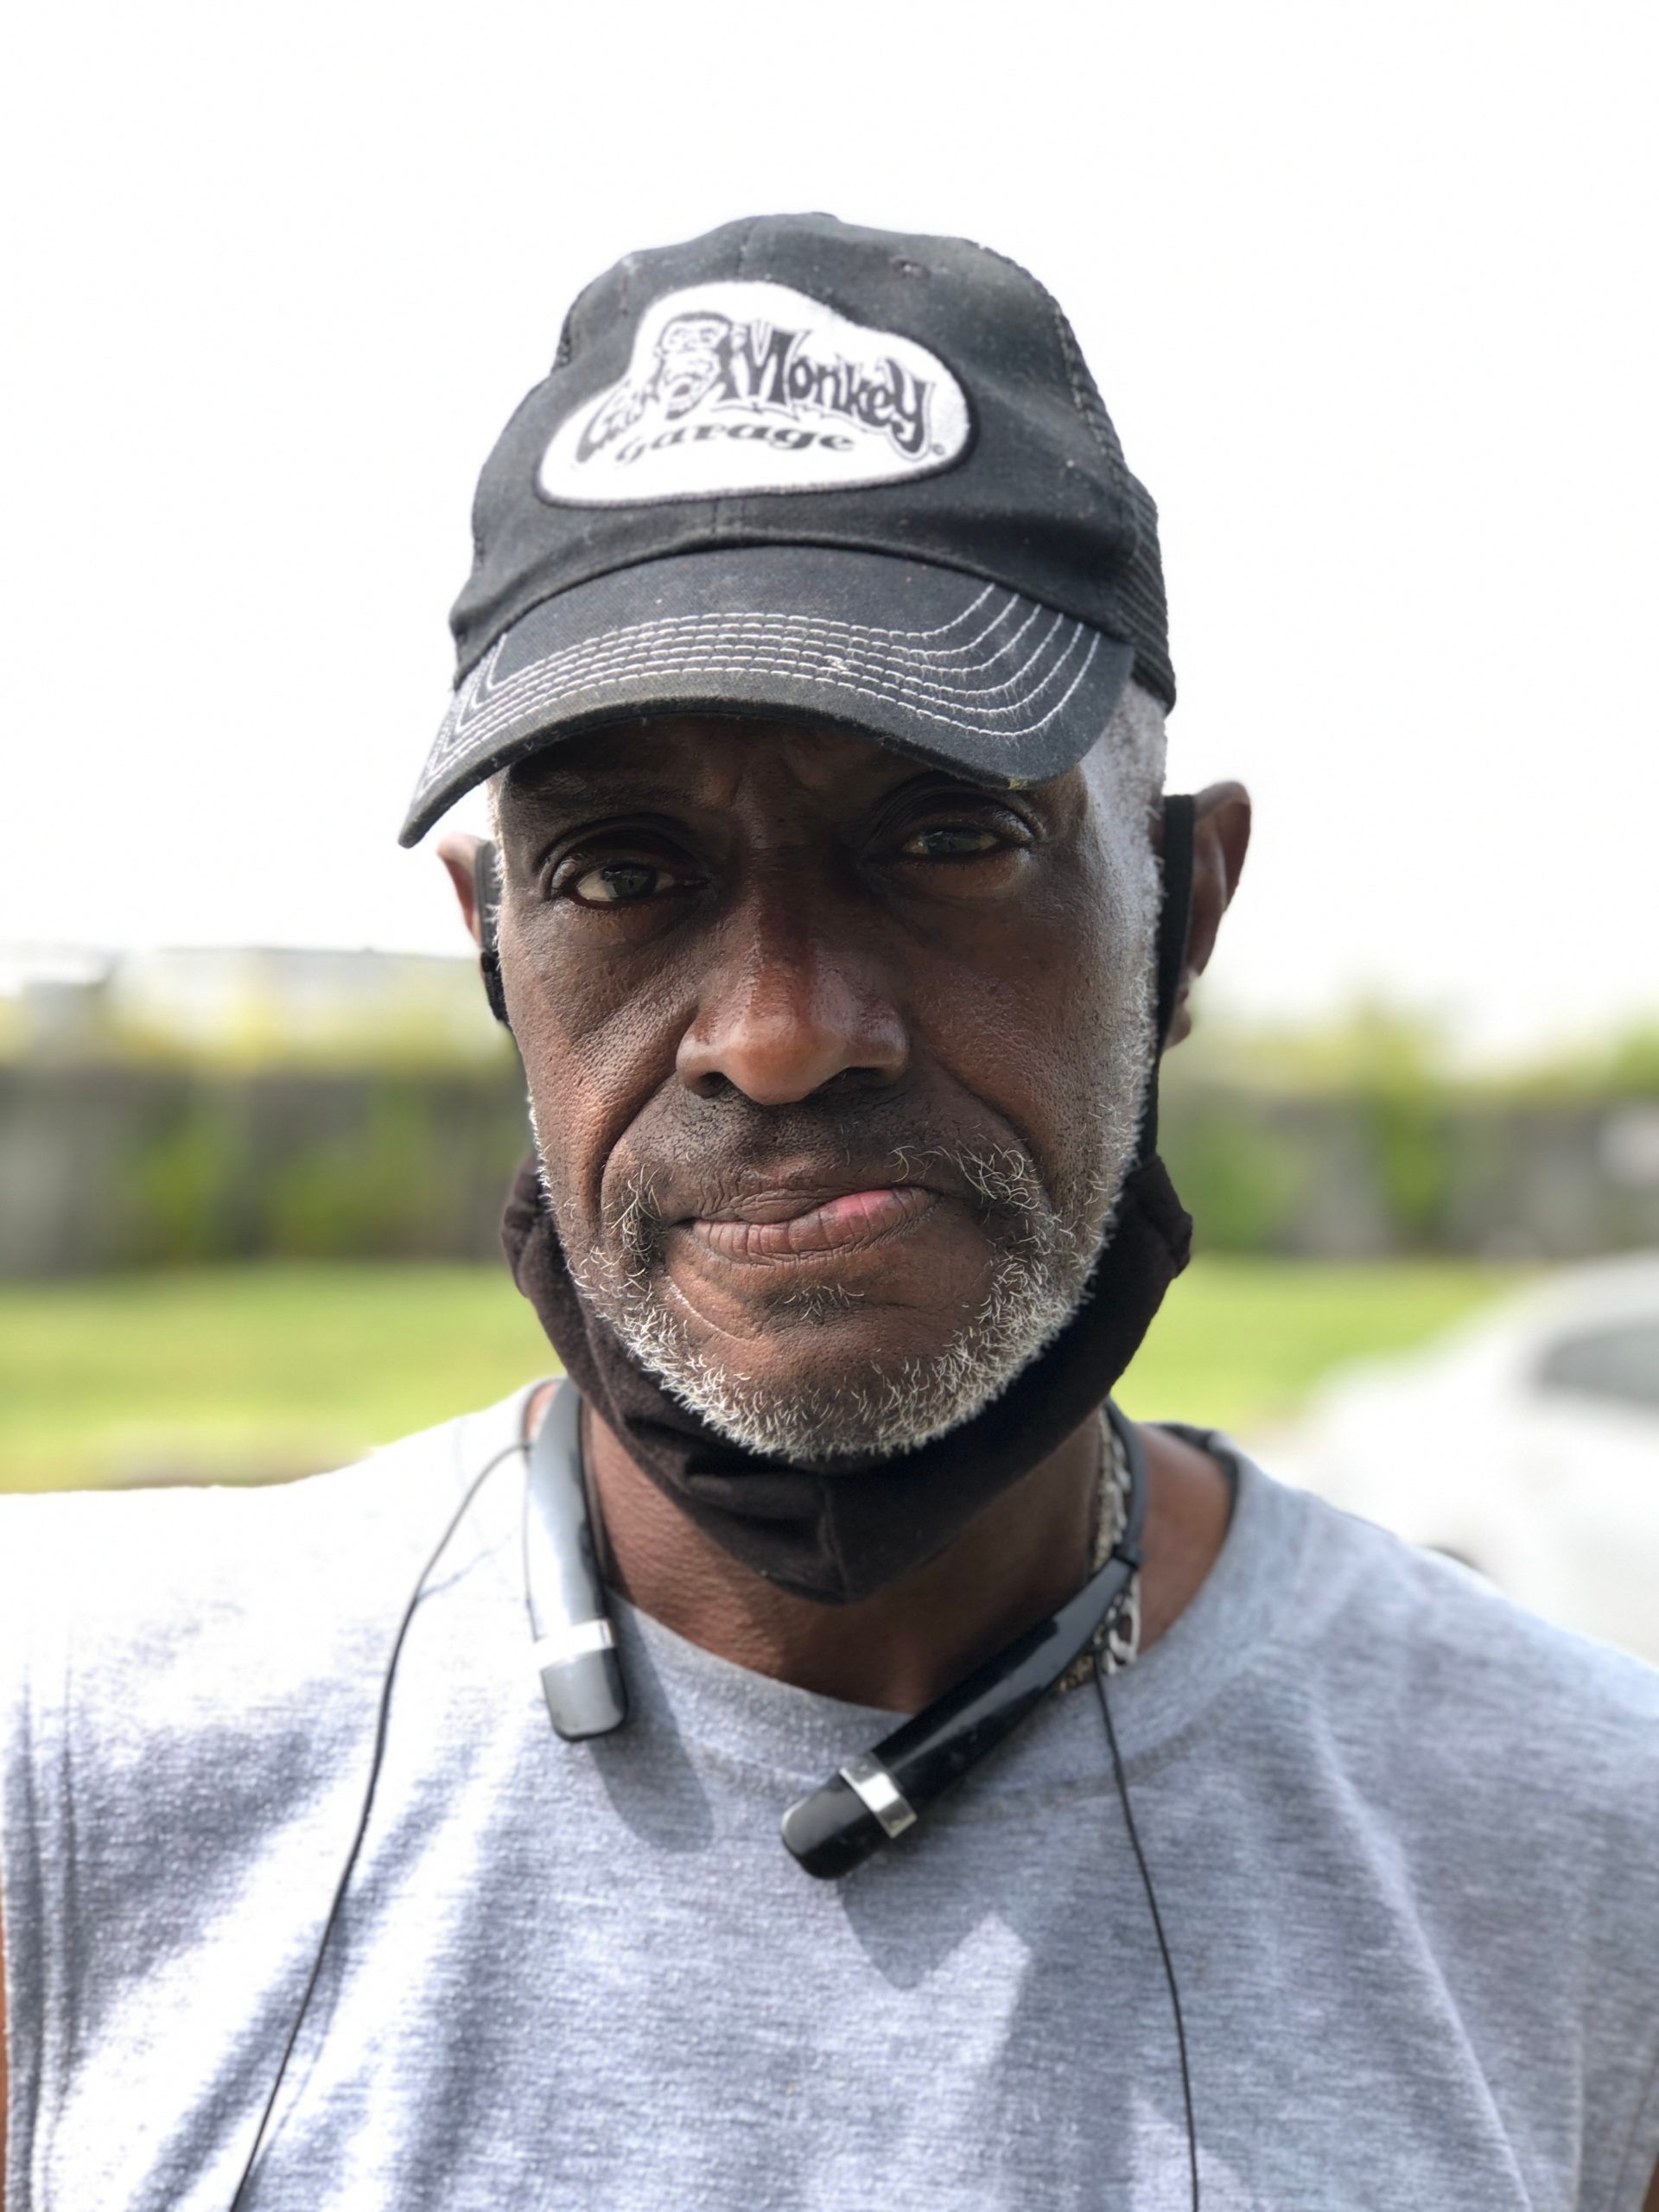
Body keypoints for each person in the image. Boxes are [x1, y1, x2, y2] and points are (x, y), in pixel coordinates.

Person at [3, 213, 1656, 2212]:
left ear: (1184, 910)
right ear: (492, 951)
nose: (781, 1033)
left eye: (950, 834)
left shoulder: (1586, 1847)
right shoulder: (72, 1785)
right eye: (622, 870)